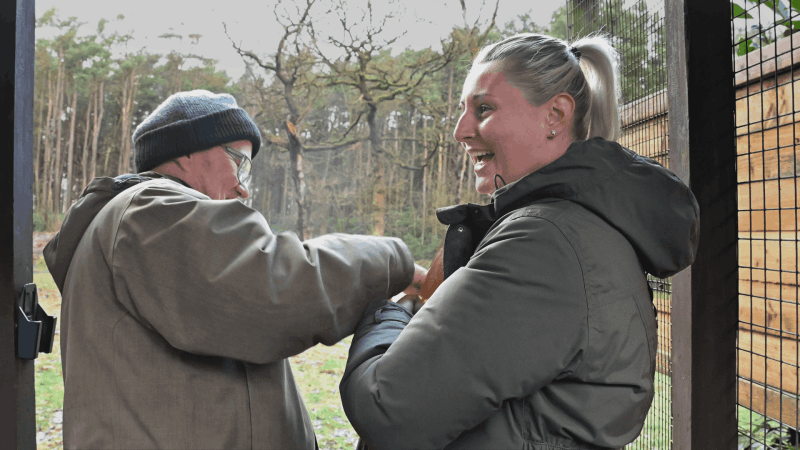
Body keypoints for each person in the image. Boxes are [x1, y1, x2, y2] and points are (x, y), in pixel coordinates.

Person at [340, 33, 699, 449]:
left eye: (484, 109)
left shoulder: (544, 244)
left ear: (556, 115)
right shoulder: (581, 228)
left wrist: (387, 310)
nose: (460, 131)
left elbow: (385, 408)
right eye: (463, 111)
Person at [43, 89, 425, 450]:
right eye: (238, 162)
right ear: (186, 153)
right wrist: (396, 263)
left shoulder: (137, 223)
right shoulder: (152, 213)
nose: (243, 188)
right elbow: (277, 288)